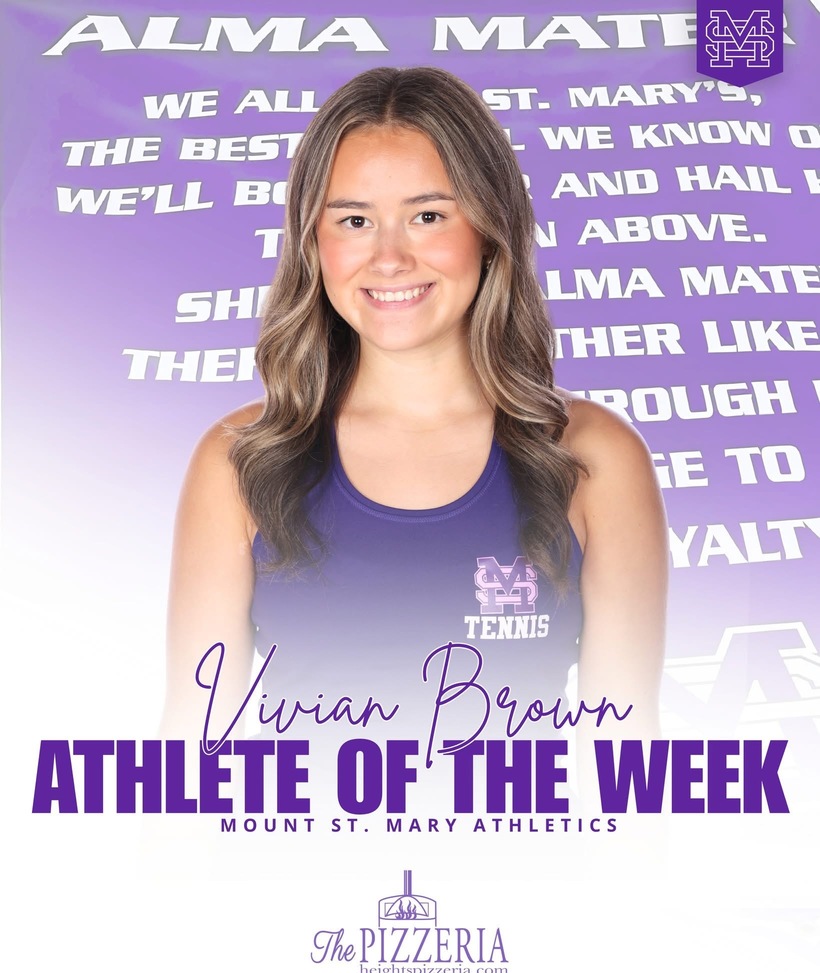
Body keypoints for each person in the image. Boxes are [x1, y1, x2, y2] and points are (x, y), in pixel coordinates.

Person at [162, 67, 667, 767]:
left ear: (488, 228)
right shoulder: (240, 461)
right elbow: (189, 761)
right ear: (313, 241)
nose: (390, 258)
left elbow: (626, 768)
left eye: (428, 216)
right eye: (354, 221)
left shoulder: (595, 458)